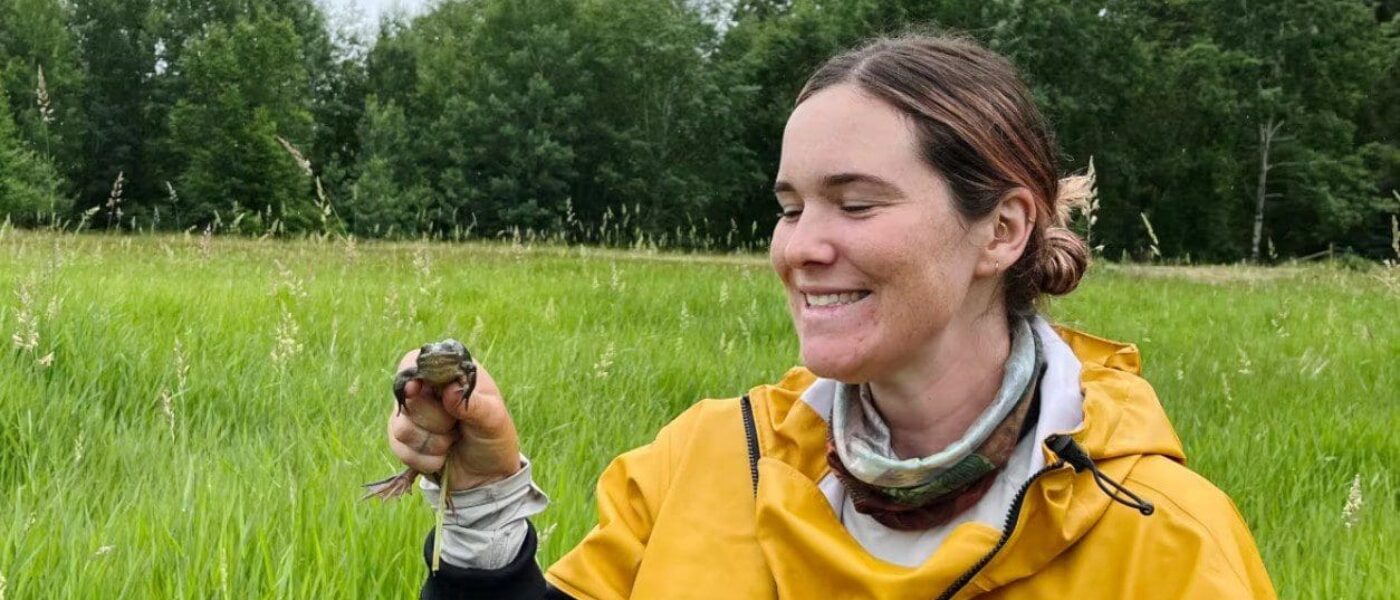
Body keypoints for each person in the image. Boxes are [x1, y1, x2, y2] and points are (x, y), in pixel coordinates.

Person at [383, 33, 1277, 599]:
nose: (802, 247)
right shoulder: (705, 463)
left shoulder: (1160, 540)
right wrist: (488, 506)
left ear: (1001, 229)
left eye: (856, 205)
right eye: (791, 205)